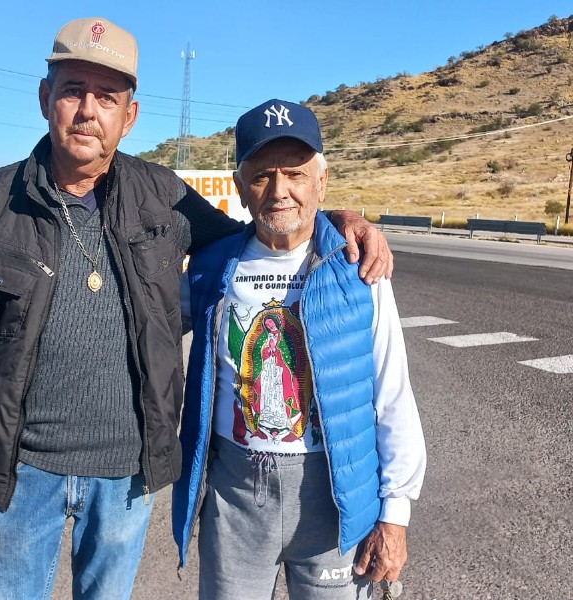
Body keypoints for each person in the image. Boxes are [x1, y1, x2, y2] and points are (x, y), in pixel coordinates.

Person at [0, 16, 394, 599]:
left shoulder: (163, 194)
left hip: (127, 476)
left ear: (130, 115)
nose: (88, 110)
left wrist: (339, 222)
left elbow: (267, 229)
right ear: (45, 98)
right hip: (18, 474)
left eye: (107, 97)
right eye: (72, 90)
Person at [172, 99, 426, 599]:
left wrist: (395, 514)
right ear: (241, 186)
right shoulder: (208, 268)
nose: (280, 190)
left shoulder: (357, 266)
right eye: (263, 175)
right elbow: (145, 329)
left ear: (321, 182)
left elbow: (392, 391)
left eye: (295, 174)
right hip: (235, 494)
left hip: (331, 498)